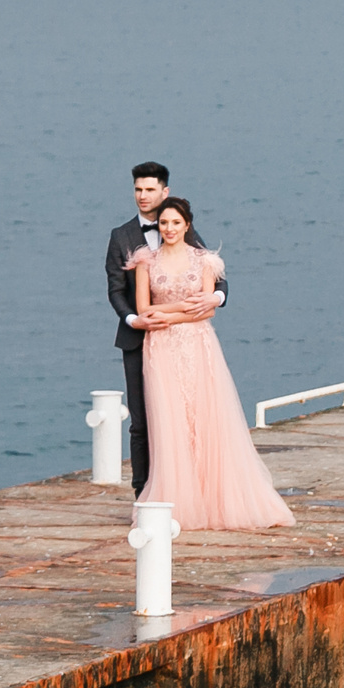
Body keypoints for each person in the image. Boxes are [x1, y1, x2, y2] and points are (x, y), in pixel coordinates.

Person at [127, 195, 296, 530]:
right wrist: (176, 311)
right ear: (157, 226)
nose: (170, 229)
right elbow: (145, 309)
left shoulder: (205, 261)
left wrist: (168, 311)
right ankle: (178, 501)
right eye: (164, 223)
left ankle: (212, 500)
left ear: (187, 224)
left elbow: (207, 309)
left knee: (204, 420)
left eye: (176, 223)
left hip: (197, 344)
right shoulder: (146, 261)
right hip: (160, 346)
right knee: (169, 423)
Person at [105, 162, 226, 496]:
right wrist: (135, 319)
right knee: (143, 423)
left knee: (190, 416)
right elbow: (116, 290)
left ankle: (195, 490)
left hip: (187, 338)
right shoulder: (121, 237)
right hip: (138, 338)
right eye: (138, 190)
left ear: (164, 191)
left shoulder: (180, 224)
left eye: (149, 189)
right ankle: (143, 494)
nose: (143, 196)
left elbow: (213, 273)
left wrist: (215, 298)